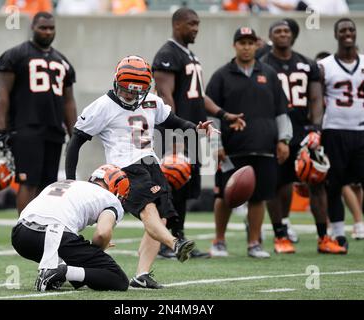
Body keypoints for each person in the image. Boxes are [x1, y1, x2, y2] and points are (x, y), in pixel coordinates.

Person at [65, 55, 237, 288]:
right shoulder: (102, 106)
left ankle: (141, 274)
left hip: (151, 165)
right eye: (127, 90)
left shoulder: (152, 102)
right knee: (148, 211)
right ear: (116, 82)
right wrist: (70, 179)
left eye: (137, 91)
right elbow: (76, 141)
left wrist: (196, 128)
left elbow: (173, 121)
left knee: (162, 216)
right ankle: (174, 244)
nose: (131, 95)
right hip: (125, 169)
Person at [152, 7, 245, 259]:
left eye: (198, 24)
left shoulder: (190, 55)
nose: (196, 28)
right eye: (191, 24)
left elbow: (198, 96)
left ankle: (177, 238)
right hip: (176, 134)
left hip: (193, 132)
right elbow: (165, 96)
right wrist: (175, 137)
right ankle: (163, 242)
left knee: (184, 190)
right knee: (169, 188)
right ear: (177, 25)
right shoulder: (167, 54)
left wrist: (224, 114)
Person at [260, 20, 346, 254]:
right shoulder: (263, 64)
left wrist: (316, 128)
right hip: (275, 131)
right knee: (277, 183)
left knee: (317, 182)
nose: (283, 34)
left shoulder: (307, 64)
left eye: (286, 31)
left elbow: (317, 99)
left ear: (293, 36)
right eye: (277, 31)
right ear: (271, 36)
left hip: (302, 130)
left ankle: (323, 237)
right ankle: (280, 235)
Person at [207, 27, 292, 258]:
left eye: (250, 42)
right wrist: (216, 145)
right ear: (234, 45)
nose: (246, 47)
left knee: (259, 196)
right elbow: (211, 115)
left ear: (257, 45)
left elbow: (281, 111)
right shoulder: (221, 76)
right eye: (241, 42)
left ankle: (254, 243)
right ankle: (219, 241)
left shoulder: (270, 74)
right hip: (231, 150)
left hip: (264, 148)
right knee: (223, 196)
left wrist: (284, 139)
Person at [0, 12, 77, 215]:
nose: (47, 32)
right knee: (28, 182)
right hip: (26, 128)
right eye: (43, 27)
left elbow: (68, 101)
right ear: (33, 27)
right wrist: (1, 130)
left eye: (51, 28)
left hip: (54, 129)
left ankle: (41, 228)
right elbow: (2, 95)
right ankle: (24, 228)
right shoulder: (15, 55)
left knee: (48, 185)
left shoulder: (62, 61)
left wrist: (74, 133)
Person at [11, 165, 129, 292]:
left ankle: (58, 271)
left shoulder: (65, 183)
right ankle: (59, 272)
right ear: (117, 189)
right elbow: (102, 234)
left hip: (20, 235)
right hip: (53, 234)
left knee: (75, 254)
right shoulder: (110, 199)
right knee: (118, 279)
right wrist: (97, 251)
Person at [318, 18, 364, 252]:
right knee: (334, 185)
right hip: (334, 130)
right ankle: (338, 234)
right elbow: (317, 101)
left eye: (351, 29)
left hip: (361, 130)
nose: (347, 33)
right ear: (336, 35)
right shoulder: (325, 66)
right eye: (343, 30)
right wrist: (315, 130)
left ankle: (357, 224)